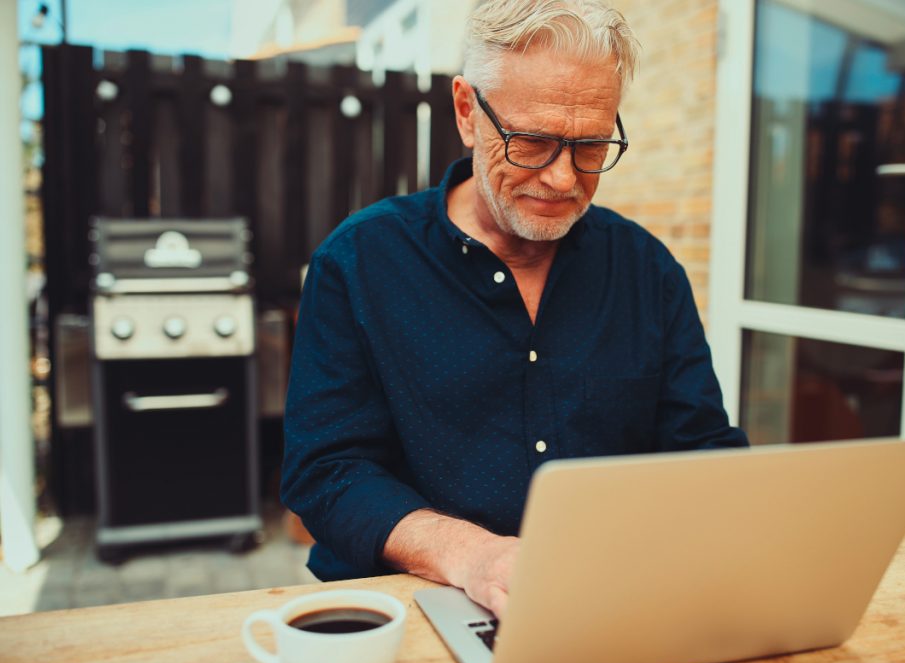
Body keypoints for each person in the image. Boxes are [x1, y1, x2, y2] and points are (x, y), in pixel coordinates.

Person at [282, 0, 748, 619]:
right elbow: (327, 472)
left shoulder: (647, 270)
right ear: (467, 111)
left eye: (590, 146)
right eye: (532, 142)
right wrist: (471, 555)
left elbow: (702, 450)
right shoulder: (360, 262)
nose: (561, 179)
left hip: (605, 598)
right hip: (412, 604)